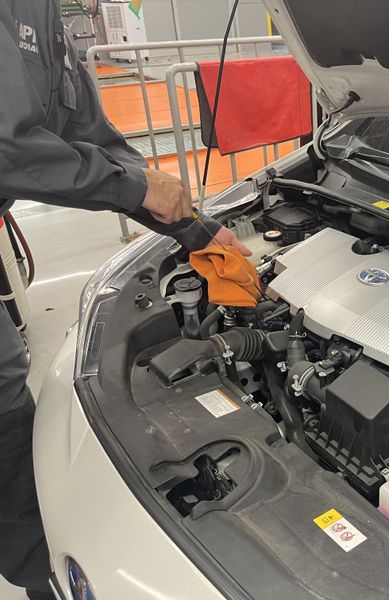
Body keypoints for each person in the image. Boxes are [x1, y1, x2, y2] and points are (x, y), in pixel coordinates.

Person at [0, 1, 250, 597]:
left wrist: (194, 228)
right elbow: (9, 146)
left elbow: (89, 134)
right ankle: (44, 574)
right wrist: (137, 187)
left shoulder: (41, 14)